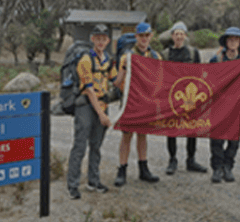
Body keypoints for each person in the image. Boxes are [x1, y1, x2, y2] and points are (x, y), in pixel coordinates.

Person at [66, 24, 119, 199]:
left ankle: (93, 181)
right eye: (98, 38)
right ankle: (73, 185)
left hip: (102, 106)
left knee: (96, 146)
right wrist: (102, 115)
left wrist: (126, 69)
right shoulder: (86, 60)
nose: (101, 41)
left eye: (104, 38)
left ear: (108, 40)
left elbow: (116, 80)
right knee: (80, 146)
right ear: (92, 39)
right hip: (86, 107)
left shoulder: (108, 60)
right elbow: (89, 90)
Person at [113, 22, 161, 186]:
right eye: (141, 36)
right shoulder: (126, 57)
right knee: (126, 136)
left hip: (146, 102)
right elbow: (118, 83)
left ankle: (143, 169)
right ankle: (122, 170)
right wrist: (125, 69)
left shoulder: (156, 57)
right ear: (136, 37)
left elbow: (160, 81)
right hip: (129, 102)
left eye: (147, 35)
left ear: (151, 36)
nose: (144, 39)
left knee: (143, 135)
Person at [159, 23, 206, 176]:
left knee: (191, 128)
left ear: (185, 36)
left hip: (190, 97)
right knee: (171, 128)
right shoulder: (165, 54)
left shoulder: (193, 53)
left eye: (181, 34)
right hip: (172, 97)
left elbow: (199, 74)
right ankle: (172, 159)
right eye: (176, 34)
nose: (179, 37)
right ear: (172, 36)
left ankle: (191, 159)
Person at [208, 28, 240, 183]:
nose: (233, 42)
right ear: (225, 42)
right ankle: (217, 168)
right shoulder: (216, 59)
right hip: (219, 104)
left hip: (237, 105)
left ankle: (228, 166)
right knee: (217, 137)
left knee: (234, 138)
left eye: (236, 39)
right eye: (230, 39)